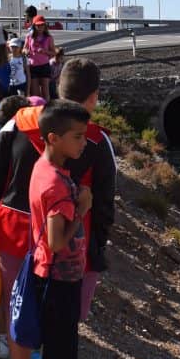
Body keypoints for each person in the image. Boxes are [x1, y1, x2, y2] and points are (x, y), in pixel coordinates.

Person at [29, 100, 92, 359]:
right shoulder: (55, 184)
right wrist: (81, 206)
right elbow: (56, 241)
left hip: (54, 277)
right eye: (78, 137)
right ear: (54, 138)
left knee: (60, 356)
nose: (84, 142)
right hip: (57, 281)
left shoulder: (45, 168)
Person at [0, 97, 47, 359]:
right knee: (50, 298)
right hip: (53, 226)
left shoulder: (13, 126)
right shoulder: (71, 127)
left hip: (12, 222)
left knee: (14, 300)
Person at [60, 59, 117, 323]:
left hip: (34, 239)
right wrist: (99, 244)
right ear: (93, 98)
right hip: (79, 243)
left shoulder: (30, 128)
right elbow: (105, 200)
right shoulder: (97, 140)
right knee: (70, 319)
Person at [27, 16, 57, 101]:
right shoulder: (30, 37)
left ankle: (47, 110)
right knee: (35, 93)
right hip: (33, 66)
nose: (40, 27)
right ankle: (37, 111)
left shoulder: (48, 37)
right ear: (34, 26)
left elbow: (53, 53)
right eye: (38, 25)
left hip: (44, 66)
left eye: (42, 25)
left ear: (45, 26)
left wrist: (44, 51)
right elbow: (24, 48)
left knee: (45, 92)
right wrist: (26, 51)